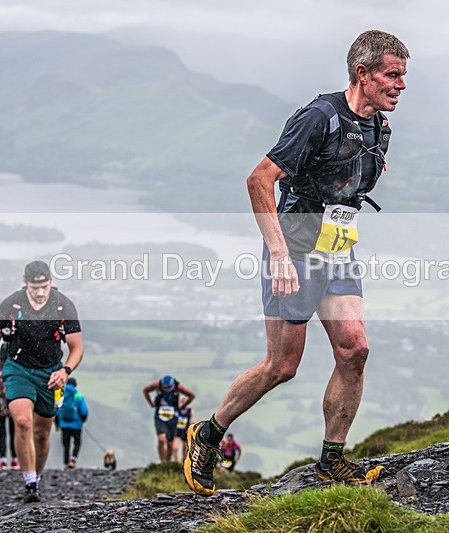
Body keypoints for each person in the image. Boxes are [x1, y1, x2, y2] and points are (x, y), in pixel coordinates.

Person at [184, 30, 408, 495]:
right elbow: (258, 179)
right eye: (392, 75)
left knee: (355, 348)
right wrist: (281, 256)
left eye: (404, 76)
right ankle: (208, 434)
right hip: (295, 247)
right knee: (282, 366)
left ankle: (332, 460)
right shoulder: (319, 117)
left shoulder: (377, 126)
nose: (401, 85)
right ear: (362, 74)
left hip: (337, 246)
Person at [0, 260, 83, 503]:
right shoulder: (10, 305)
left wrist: (65, 371)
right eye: (34, 287)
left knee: (41, 433)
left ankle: (37, 476)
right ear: (25, 283)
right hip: (17, 368)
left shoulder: (63, 306)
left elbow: (76, 347)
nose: (39, 292)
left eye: (44, 286)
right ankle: (29, 484)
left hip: (51, 372)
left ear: (50, 283)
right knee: (23, 421)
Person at [143, 375, 195, 463]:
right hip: (160, 417)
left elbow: (191, 395)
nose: (167, 389)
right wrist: (151, 403)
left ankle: (167, 463)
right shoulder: (157, 384)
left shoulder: (178, 386)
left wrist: (183, 405)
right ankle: (162, 462)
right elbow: (146, 390)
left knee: (170, 444)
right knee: (161, 439)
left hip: (173, 419)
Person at [0, 343, 19, 471]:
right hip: (12, 403)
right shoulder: (13, 368)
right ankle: (15, 460)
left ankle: (2, 460)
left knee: (1, 433)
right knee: (14, 433)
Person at [54, 377, 89, 469]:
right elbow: (84, 410)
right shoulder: (78, 396)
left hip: (64, 424)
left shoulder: (60, 394)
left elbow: (56, 410)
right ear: (75, 385)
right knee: (77, 442)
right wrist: (83, 420)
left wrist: (57, 424)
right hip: (76, 425)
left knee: (66, 444)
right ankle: (73, 459)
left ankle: (66, 462)